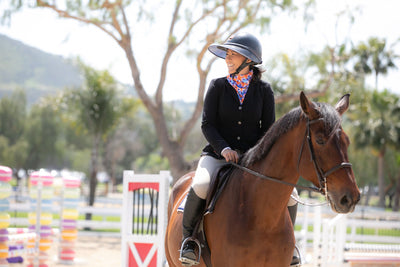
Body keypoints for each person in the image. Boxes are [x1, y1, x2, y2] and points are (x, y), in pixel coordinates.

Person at [180, 32, 299, 266]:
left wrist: (254, 156)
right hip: (217, 155)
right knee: (201, 184)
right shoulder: (217, 86)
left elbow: (269, 131)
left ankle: (289, 244)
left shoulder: (264, 92)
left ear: (249, 59)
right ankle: (189, 241)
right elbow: (207, 124)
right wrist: (224, 148)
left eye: (233, 54)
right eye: (227, 54)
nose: (227, 58)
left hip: (253, 161)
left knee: (292, 195)